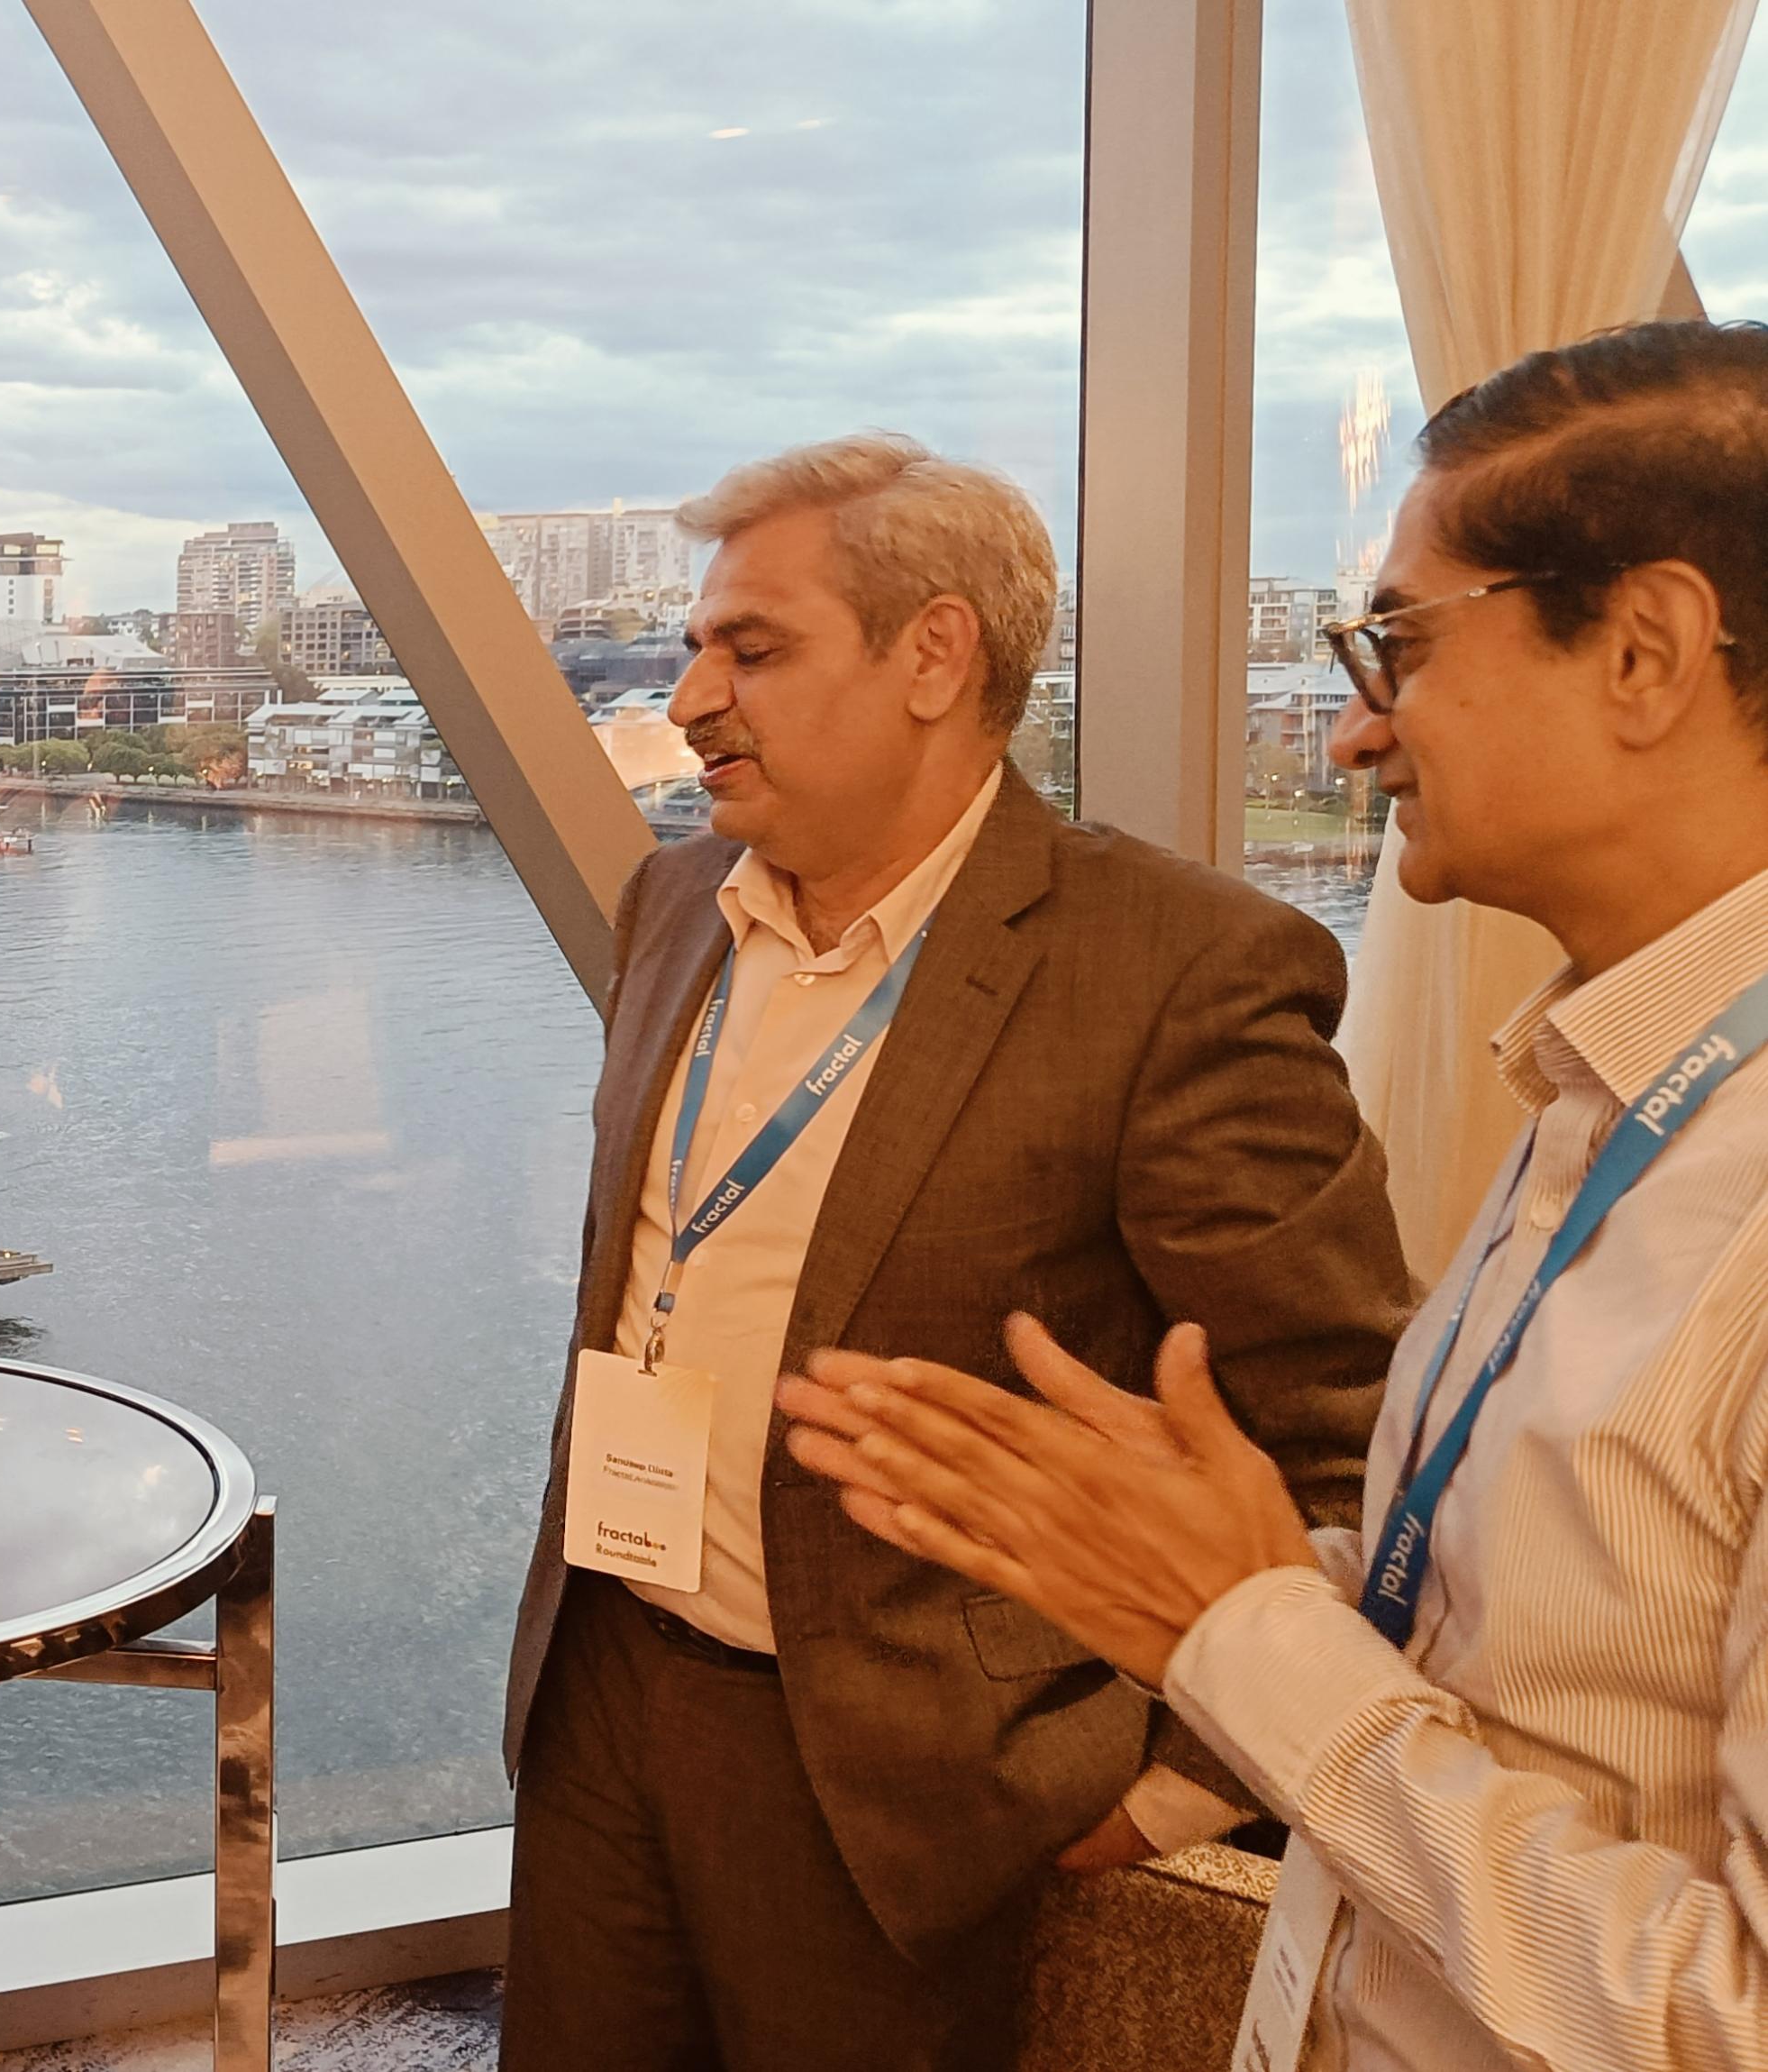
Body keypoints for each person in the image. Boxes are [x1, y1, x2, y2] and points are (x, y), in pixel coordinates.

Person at [780, 321, 1768, 2069]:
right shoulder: (1605, 1090)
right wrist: (1192, 1572)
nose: (1359, 733)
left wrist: (1246, 1640)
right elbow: (1514, 1653)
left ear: (1646, 652)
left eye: (1399, 644)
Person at [497, 434, 1410, 2071]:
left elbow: (1350, 1433)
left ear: (934, 656)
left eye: (752, 650)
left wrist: (1188, 1780)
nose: (691, 699)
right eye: (697, 647)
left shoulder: (1176, 971)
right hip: (606, 1691)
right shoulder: (675, 905)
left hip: (906, 1781)